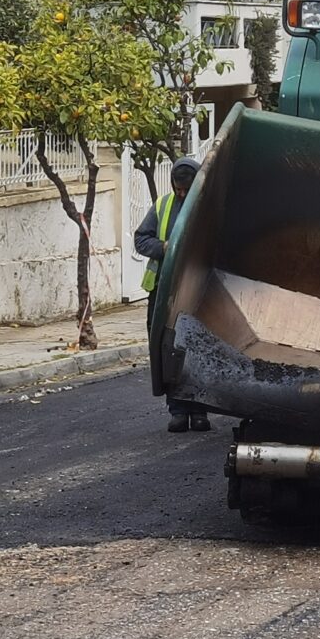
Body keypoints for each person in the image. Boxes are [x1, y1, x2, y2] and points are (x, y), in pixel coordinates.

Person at [136, 156, 210, 432]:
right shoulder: (163, 206)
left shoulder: (208, 207)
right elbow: (141, 239)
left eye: (186, 189)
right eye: (177, 188)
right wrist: (164, 247)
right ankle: (177, 410)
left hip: (198, 290)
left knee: (198, 348)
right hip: (163, 291)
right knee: (168, 349)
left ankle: (200, 410)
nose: (181, 194)